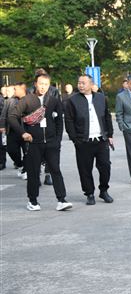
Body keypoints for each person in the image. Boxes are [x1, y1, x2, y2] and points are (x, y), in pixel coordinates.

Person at [8, 73, 72, 212]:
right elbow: (12, 117)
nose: (43, 87)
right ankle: (33, 201)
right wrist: (23, 133)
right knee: (33, 172)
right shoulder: (27, 100)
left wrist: (57, 140)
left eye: (46, 84)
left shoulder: (54, 101)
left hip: (51, 143)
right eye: (40, 84)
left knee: (55, 170)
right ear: (35, 84)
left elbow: (59, 121)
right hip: (33, 143)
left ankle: (61, 200)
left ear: (49, 86)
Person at [64, 74, 114, 205]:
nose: (80, 85)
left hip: (101, 139)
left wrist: (110, 135)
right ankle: (89, 193)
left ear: (91, 84)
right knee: (85, 169)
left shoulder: (101, 98)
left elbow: (107, 116)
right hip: (83, 141)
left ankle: (104, 191)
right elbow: (69, 121)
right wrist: (75, 138)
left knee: (105, 166)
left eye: (83, 83)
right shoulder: (72, 100)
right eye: (79, 82)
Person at [1, 83, 27, 177]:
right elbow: (4, 114)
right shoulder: (9, 101)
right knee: (11, 150)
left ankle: (26, 169)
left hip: (26, 130)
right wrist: (2, 126)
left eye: (15, 89)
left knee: (27, 151)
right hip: (12, 130)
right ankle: (20, 164)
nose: (13, 91)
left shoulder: (28, 99)